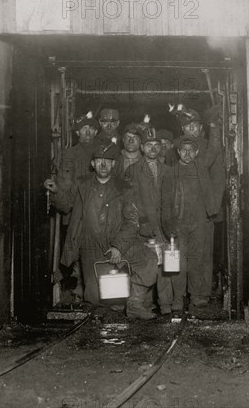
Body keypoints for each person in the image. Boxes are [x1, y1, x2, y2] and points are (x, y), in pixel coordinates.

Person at [51, 143, 157, 319]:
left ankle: (135, 304)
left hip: (116, 242)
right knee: (95, 300)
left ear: (114, 164)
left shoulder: (124, 188)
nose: (103, 165)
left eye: (107, 162)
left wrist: (118, 246)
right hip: (90, 246)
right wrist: (55, 192)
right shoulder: (82, 186)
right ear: (92, 163)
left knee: (149, 259)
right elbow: (66, 205)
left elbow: (132, 221)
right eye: (99, 161)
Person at [161, 112, 222, 314]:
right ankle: (178, 298)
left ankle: (196, 296)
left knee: (197, 260)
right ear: (177, 152)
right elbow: (166, 202)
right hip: (178, 223)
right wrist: (168, 225)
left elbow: (213, 149)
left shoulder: (201, 166)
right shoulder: (170, 173)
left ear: (196, 153)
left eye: (191, 150)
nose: (187, 154)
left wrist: (213, 126)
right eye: (183, 150)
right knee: (178, 262)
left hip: (199, 221)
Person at [45, 111, 99, 302]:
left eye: (91, 129)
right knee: (76, 253)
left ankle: (94, 293)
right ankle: (80, 291)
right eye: (84, 129)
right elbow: (65, 184)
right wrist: (59, 195)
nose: (87, 132)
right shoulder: (69, 155)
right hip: (76, 210)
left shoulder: (103, 151)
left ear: (95, 132)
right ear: (77, 132)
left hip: (99, 212)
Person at [124, 125, 172, 315]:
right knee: (147, 266)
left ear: (161, 148)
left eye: (156, 145)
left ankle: (165, 305)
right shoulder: (132, 170)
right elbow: (128, 201)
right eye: (149, 145)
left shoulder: (168, 170)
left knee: (167, 265)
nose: (153, 148)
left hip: (165, 226)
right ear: (142, 147)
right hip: (144, 227)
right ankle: (135, 305)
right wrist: (142, 223)